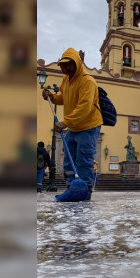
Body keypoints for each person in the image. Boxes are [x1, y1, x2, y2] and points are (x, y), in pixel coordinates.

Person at [42, 48, 102, 201]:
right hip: (74, 126)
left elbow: (85, 107)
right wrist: (52, 97)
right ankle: (72, 188)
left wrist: (65, 122)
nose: (67, 68)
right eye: (64, 65)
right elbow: (64, 97)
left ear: (77, 63)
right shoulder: (66, 80)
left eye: (70, 65)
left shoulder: (87, 81)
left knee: (84, 157)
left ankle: (86, 190)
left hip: (88, 125)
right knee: (69, 159)